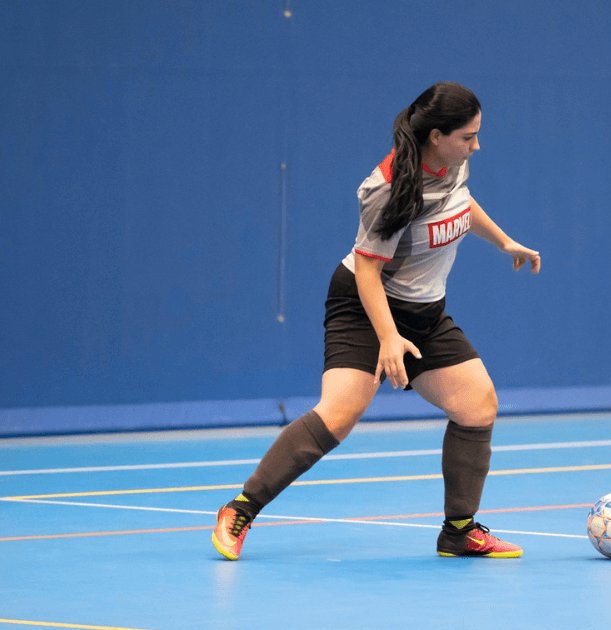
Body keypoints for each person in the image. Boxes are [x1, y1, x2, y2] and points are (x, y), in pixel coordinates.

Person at [212, 81, 541, 561]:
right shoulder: (387, 189)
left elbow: (461, 205)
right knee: (340, 413)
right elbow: (367, 268)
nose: (476, 146)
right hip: (365, 304)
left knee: (477, 405)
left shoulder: (454, 163)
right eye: (468, 136)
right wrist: (388, 337)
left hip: (424, 310)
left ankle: (459, 531)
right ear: (435, 136)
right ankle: (241, 507)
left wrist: (504, 241)